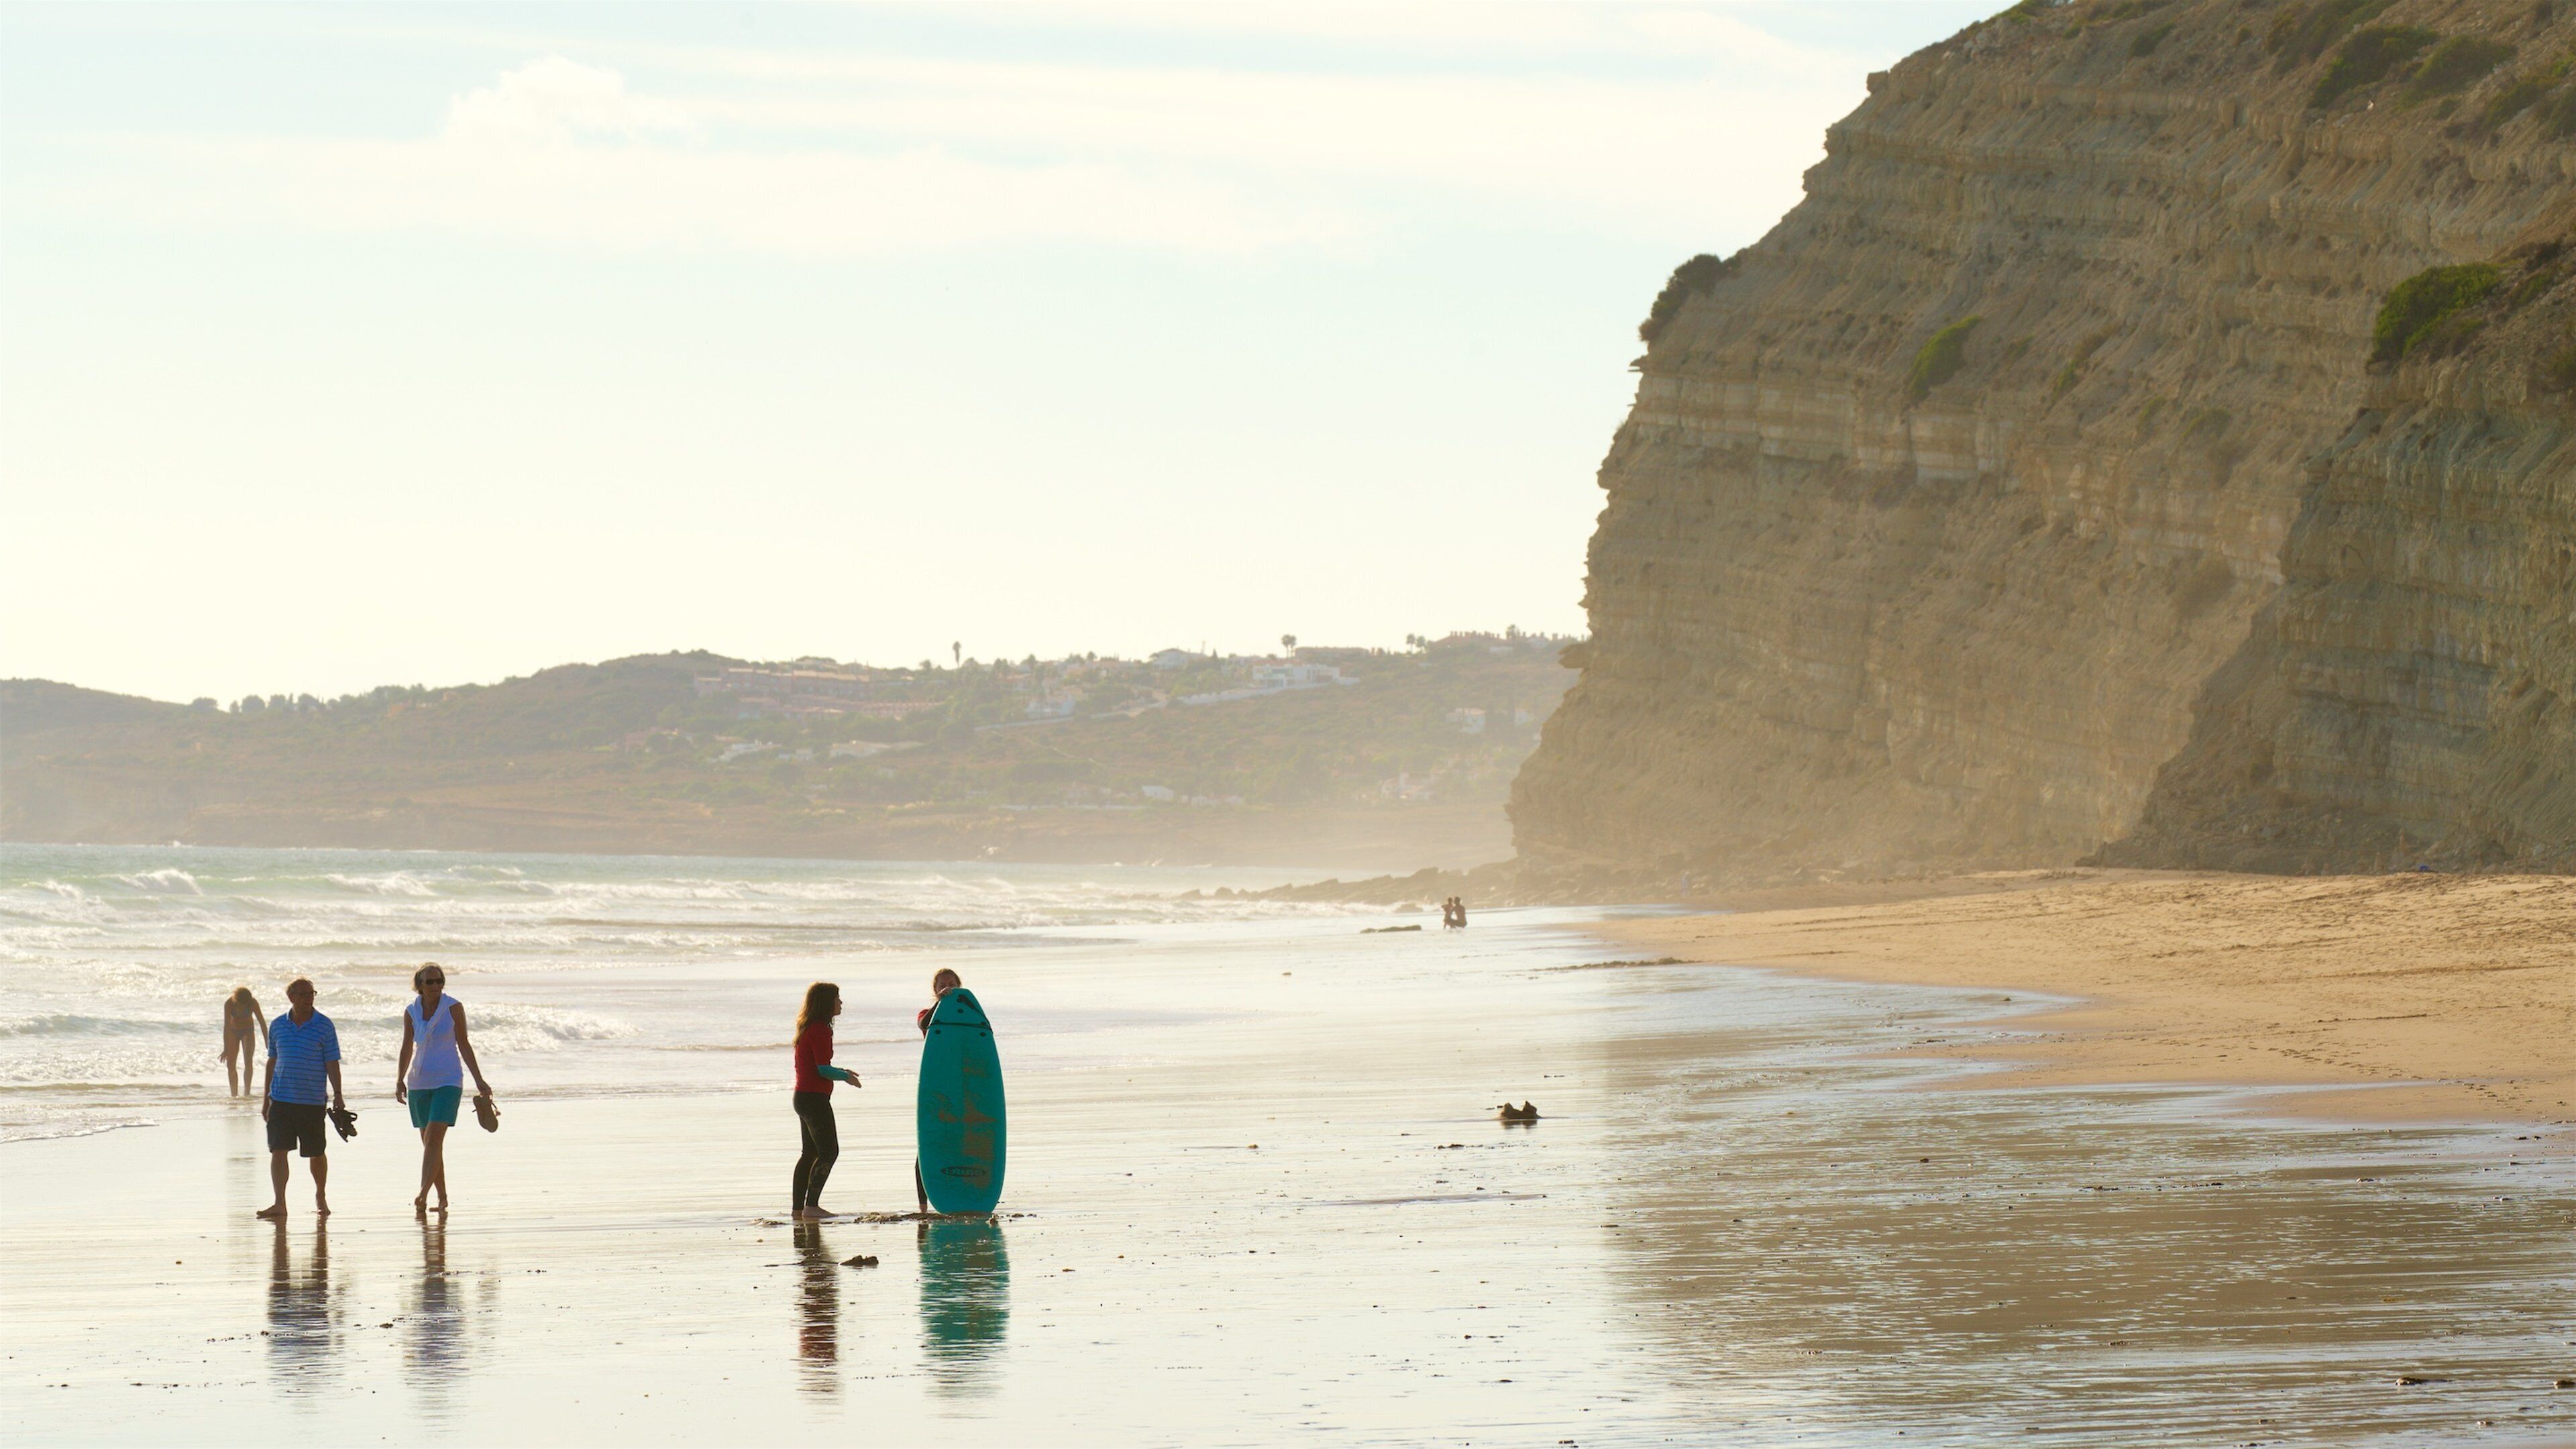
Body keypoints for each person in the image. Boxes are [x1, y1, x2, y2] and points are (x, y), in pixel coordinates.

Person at [394, 962, 492, 1216]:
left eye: (440, 981)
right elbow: (406, 1047)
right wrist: (399, 1079)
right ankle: (443, 1197)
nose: (436, 986)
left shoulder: (453, 1008)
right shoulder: (411, 1011)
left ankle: (422, 1194)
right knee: (429, 1144)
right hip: (419, 1082)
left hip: (449, 1080)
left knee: (434, 1139)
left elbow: (464, 1044)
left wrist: (479, 1080)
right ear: (419, 985)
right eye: (430, 982)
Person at [257, 977, 345, 1220]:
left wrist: (338, 1095)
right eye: (304, 994)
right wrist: (266, 1099)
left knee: (316, 1153)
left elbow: (332, 1062)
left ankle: (320, 1195)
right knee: (278, 1150)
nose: (309, 998)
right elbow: (272, 1061)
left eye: (312, 994)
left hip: (312, 1101)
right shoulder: (277, 1026)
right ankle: (279, 1203)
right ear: (291, 997)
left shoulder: (324, 1026)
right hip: (281, 1099)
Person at [792, 981, 858, 1220]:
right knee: (829, 1152)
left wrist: (840, 1070)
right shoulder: (820, 1029)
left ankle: (798, 1210)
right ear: (825, 1003)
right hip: (814, 1100)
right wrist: (845, 1076)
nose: (841, 1003)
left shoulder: (808, 1027)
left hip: (802, 1098)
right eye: (837, 998)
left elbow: (817, 1065)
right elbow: (822, 1069)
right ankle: (811, 1207)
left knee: (809, 1154)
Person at [914, 967, 961, 1215]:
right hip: (935, 1087)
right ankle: (923, 1207)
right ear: (935, 990)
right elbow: (924, 1024)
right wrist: (940, 1004)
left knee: (958, 1143)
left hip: (961, 1087)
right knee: (928, 1144)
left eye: (952, 984)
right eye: (942, 985)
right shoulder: (927, 1013)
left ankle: (956, 1196)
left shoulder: (968, 1013)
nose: (948, 988)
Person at [220, 986, 270, 1097]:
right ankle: (234, 1094)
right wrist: (226, 1048)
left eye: (245, 1005)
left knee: (248, 1061)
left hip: (248, 1031)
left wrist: (267, 1041)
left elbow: (262, 1022)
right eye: (240, 1005)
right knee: (231, 1064)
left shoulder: (253, 1003)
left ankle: (247, 1093)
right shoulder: (229, 1004)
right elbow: (227, 1026)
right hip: (233, 1031)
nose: (242, 1007)